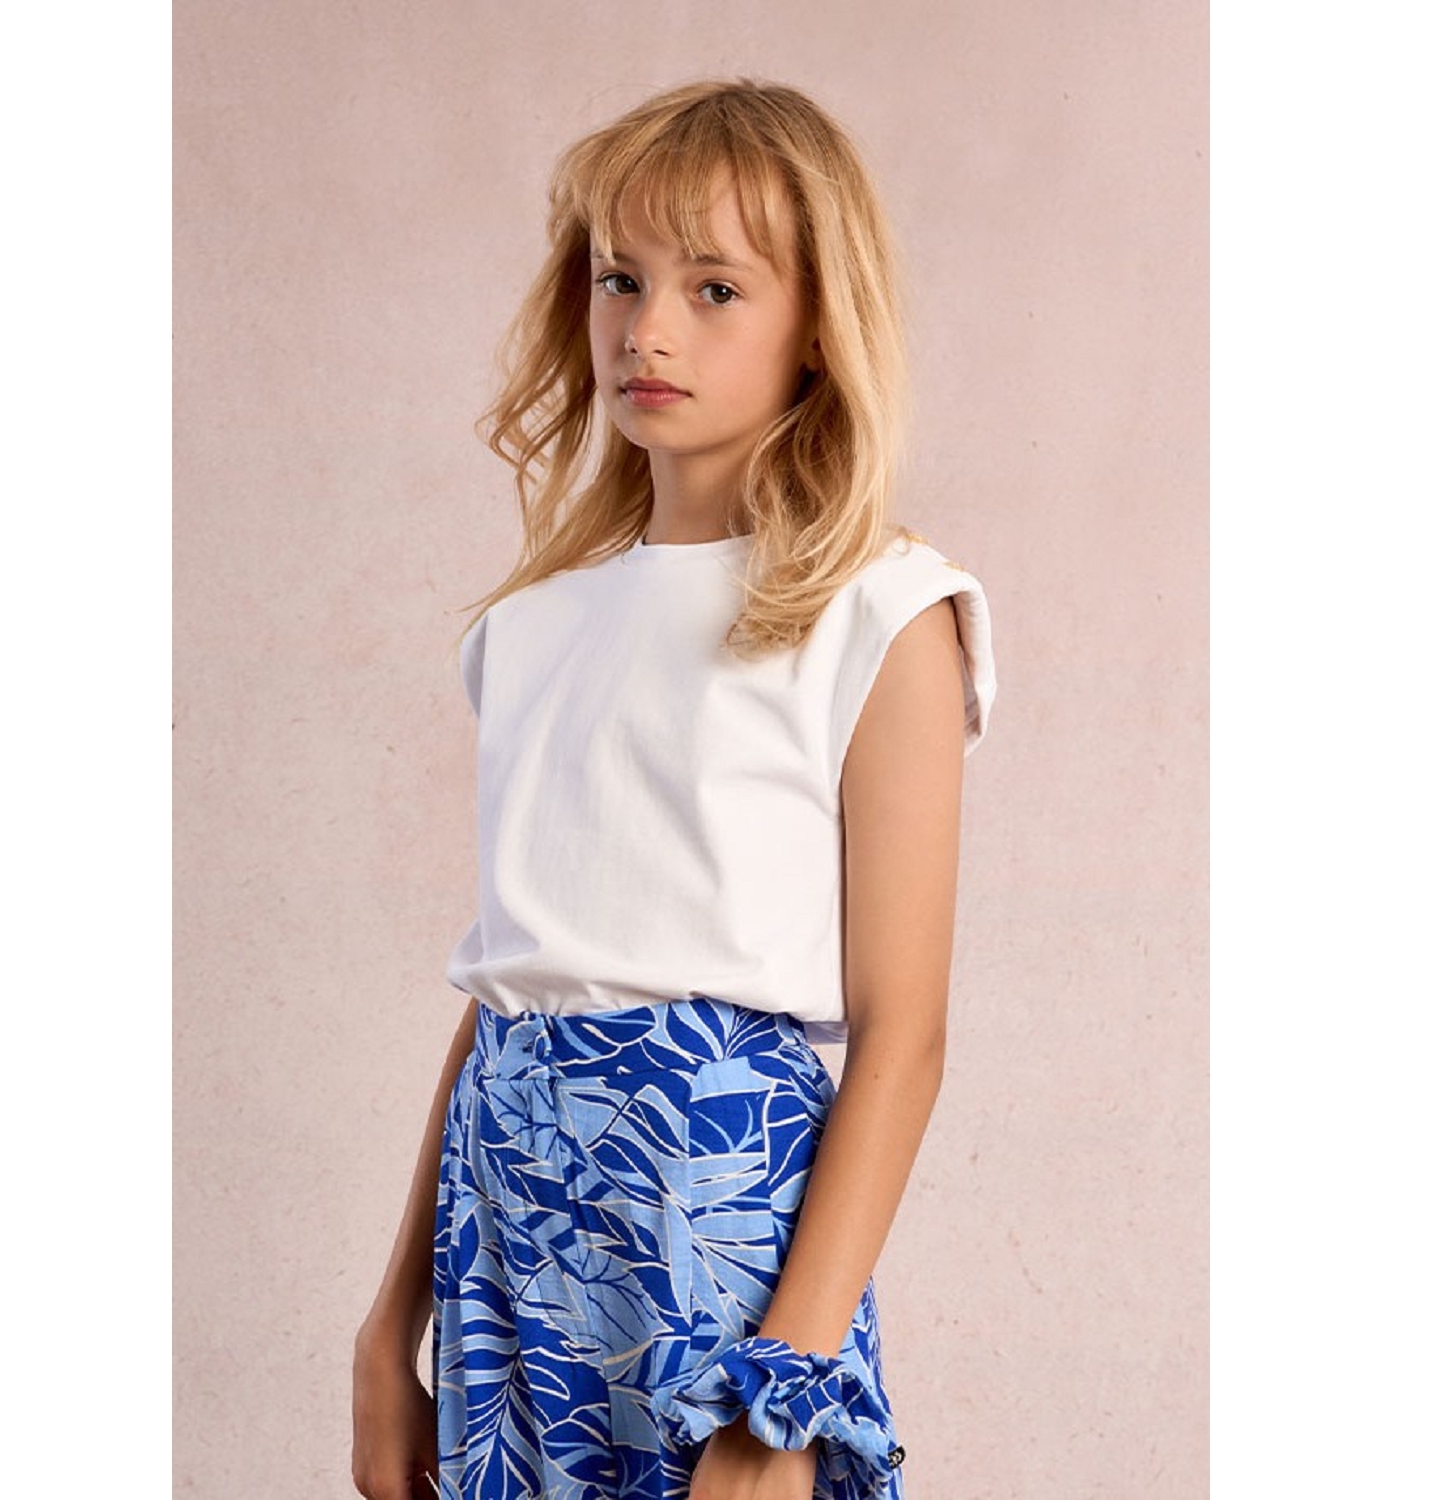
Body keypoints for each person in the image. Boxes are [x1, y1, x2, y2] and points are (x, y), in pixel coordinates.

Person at [351, 78, 997, 1500]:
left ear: (818, 324)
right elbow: (517, 980)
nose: (647, 330)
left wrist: (783, 1395)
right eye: (618, 279)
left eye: (714, 289)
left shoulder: (880, 613)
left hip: (719, 1232)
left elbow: (904, 1036)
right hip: (505, 1225)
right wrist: (390, 1328)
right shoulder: (528, 629)